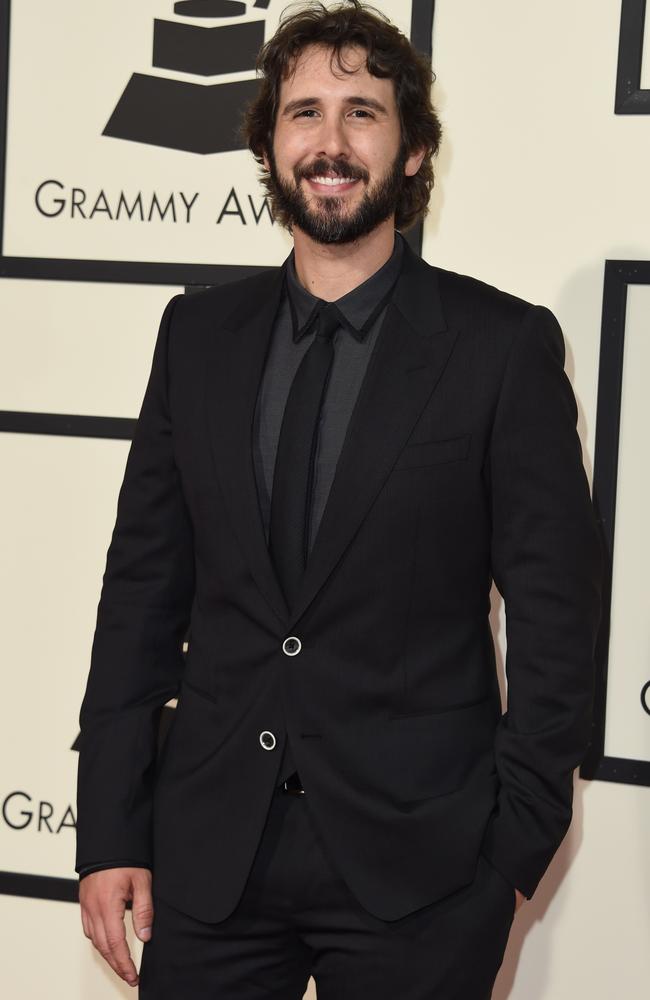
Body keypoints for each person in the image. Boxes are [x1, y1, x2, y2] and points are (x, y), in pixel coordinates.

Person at [75, 1, 603, 996]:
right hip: (210, 861)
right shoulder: (198, 337)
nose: (328, 141)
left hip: (423, 871)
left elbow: (555, 615)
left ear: (409, 152)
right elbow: (140, 591)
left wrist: (505, 859)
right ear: (269, 146)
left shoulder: (497, 349)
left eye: (361, 112)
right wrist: (108, 826)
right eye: (303, 112)